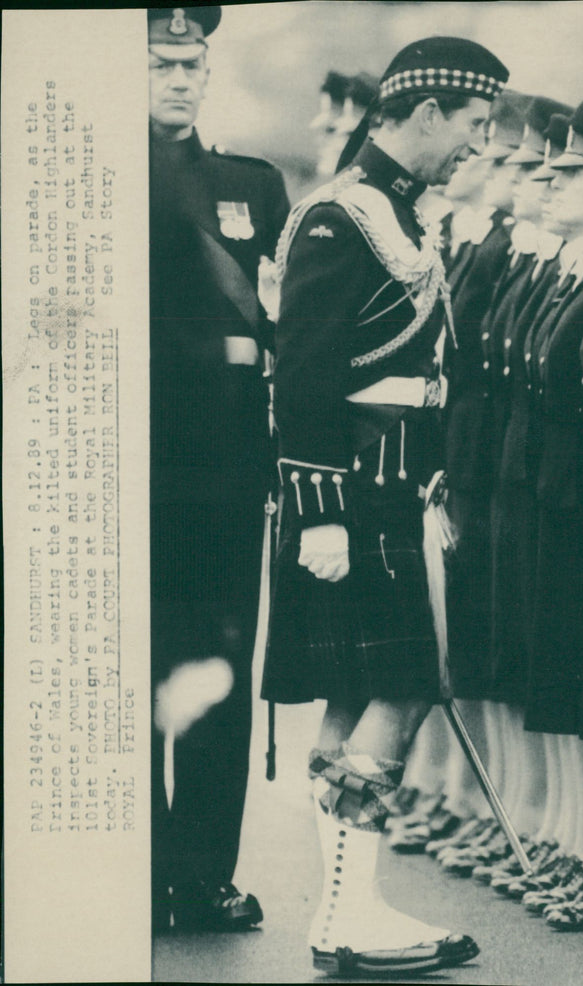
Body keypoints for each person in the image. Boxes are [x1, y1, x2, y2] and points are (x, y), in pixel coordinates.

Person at [261, 35, 509, 976]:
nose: (478, 144)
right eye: (474, 124)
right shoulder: (342, 216)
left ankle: (346, 909)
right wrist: (320, 508)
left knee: (359, 691)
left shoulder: (394, 212)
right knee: (400, 686)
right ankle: (343, 914)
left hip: (398, 485)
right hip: (356, 491)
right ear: (427, 112)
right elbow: (310, 370)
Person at [148, 5, 290, 933]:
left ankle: (201, 876)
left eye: (191, 64)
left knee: (215, 674)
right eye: (161, 62)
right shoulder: (72, 173)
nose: (179, 78)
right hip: (115, 474)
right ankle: (125, 861)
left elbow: (281, 327)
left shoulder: (250, 184)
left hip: (223, 478)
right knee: (117, 676)